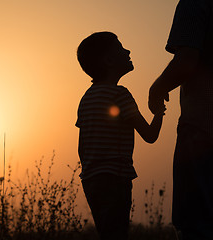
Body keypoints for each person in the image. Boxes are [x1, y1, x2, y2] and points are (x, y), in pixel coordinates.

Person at [148, 0, 213, 239]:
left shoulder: (195, 3)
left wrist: (157, 89)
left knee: (198, 227)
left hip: (204, 128)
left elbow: (186, 60)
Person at [76, 31, 166, 240]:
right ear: (108, 61)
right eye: (121, 48)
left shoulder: (86, 98)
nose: (128, 51)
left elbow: (83, 145)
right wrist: (159, 112)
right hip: (115, 177)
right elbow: (150, 135)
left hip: (91, 179)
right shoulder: (120, 94)